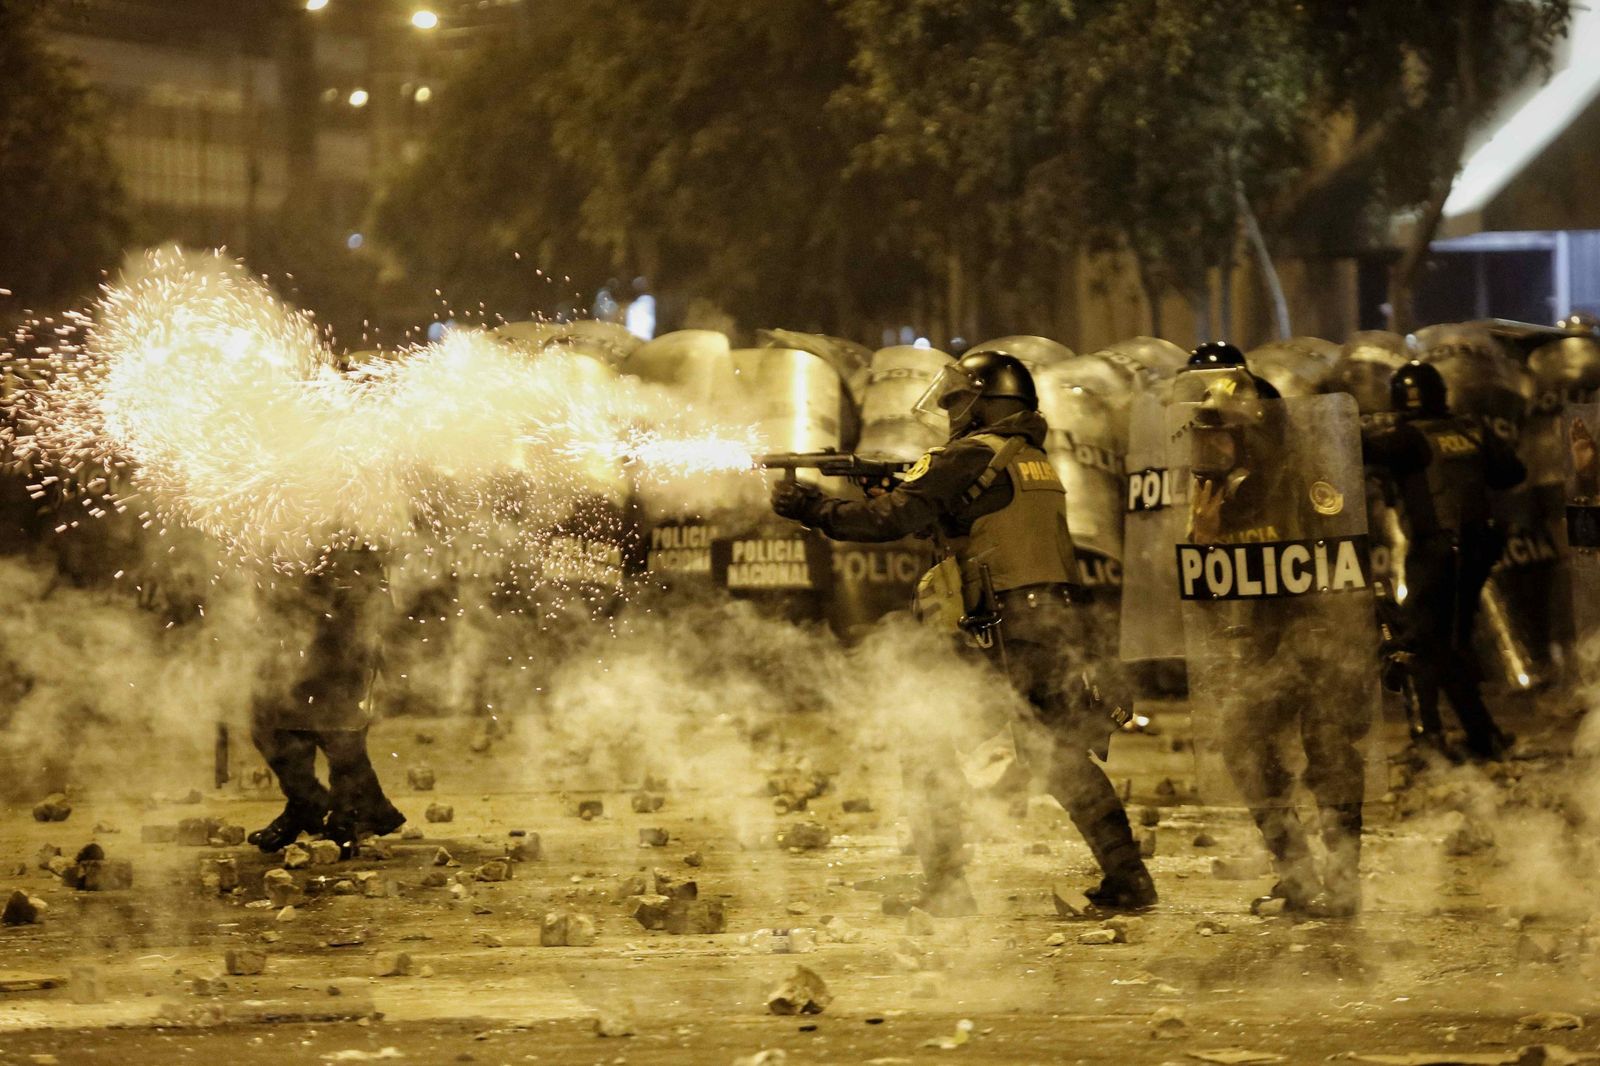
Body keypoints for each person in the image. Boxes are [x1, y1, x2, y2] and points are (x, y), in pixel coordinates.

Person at [770, 349, 1155, 915]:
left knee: (925, 739)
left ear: (984, 406)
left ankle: (947, 889)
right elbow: (976, 522)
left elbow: (885, 522)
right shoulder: (1030, 459)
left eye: (958, 401)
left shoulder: (969, 456)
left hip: (998, 628)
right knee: (1060, 757)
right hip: (1051, 624)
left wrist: (813, 508)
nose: (952, 412)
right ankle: (1130, 879)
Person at [1178, 341, 1373, 918]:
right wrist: (1202, 543)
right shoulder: (1228, 495)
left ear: (1255, 433)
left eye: (1222, 436)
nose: (1209, 449)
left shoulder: (1308, 483)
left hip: (1326, 641)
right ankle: (1299, 875)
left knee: (1331, 755)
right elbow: (1211, 601)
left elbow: (1343, 572)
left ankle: (1341, 884)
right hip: (1271, 646)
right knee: (1243, 742)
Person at [1362, 361, 1526, 761]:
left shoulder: (1408, 439)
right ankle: (1483, 735)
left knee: (1413, 644)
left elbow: (1360, 448)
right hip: (1476, 549)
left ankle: (1428, 740)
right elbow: (1511, 473)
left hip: (1436, 550)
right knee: (1449, 645)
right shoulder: (1471, 430)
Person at [247, 545, 405, 857]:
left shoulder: (349, 524)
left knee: (338, 726)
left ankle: (345, 817)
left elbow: (374, 584)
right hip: (294, 623)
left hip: (341, 621)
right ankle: (315, 806)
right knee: (269, 721)